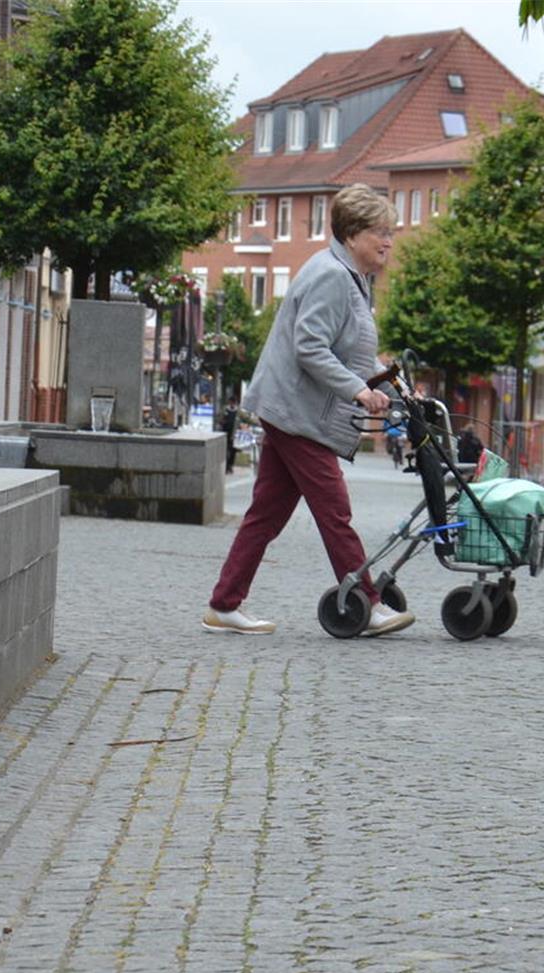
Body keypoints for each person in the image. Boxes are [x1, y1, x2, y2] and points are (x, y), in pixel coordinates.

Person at [202, 184, 411, 637]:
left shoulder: (349, 276)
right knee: (335, 511)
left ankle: (224, 604)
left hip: (291, 410)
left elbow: (348, 348)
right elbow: (310, 348)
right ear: (353, 233)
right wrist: (359, 390)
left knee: (266, 514)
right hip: (298, 414)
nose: (389, 240)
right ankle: (368, 604)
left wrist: (385, 380)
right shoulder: (333, 276)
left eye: (391, 231)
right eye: (381, 231)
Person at [220, 401, 239, 474]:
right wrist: (222, 421)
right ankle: (226, 467)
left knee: (233, 451)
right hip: (225, 434)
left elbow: (245, 419)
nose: (232, 404)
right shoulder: (225, 409)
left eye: (233, 403)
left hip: (233, 435)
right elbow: (220, 419)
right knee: (225, 451)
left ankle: (230, 466)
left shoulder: (238, 411)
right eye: (231, 403)